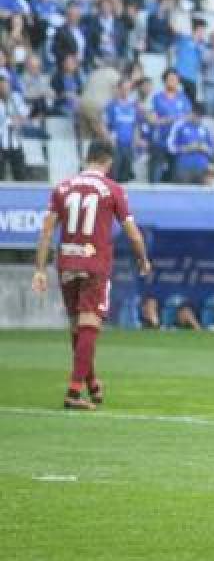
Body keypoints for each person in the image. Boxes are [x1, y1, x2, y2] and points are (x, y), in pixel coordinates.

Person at [32, 140, 152, 410]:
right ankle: (74, 392)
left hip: (66, 262)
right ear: (108, 162)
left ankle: (93, 383)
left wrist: (39, 269)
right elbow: (132, 232)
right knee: (89, 326)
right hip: (94, 263)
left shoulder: (62, 187)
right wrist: (143, 258)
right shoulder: (113, 189)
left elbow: (47, 232)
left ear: (87, 158)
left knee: (79, 328)